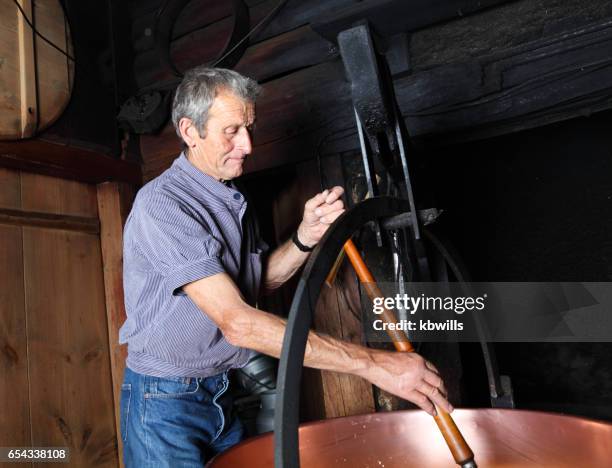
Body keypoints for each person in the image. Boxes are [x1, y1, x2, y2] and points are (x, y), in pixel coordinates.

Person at [118, 66, 452, 467]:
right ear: (190, 131)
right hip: (164, 400)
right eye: (232, 131)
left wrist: (305, 237)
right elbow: (238, 321)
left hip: (222, 388)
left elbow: (259, 283)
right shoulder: (165, 205)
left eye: (249, 128)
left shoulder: (230, 196)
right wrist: (377, 365)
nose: (247, 145)